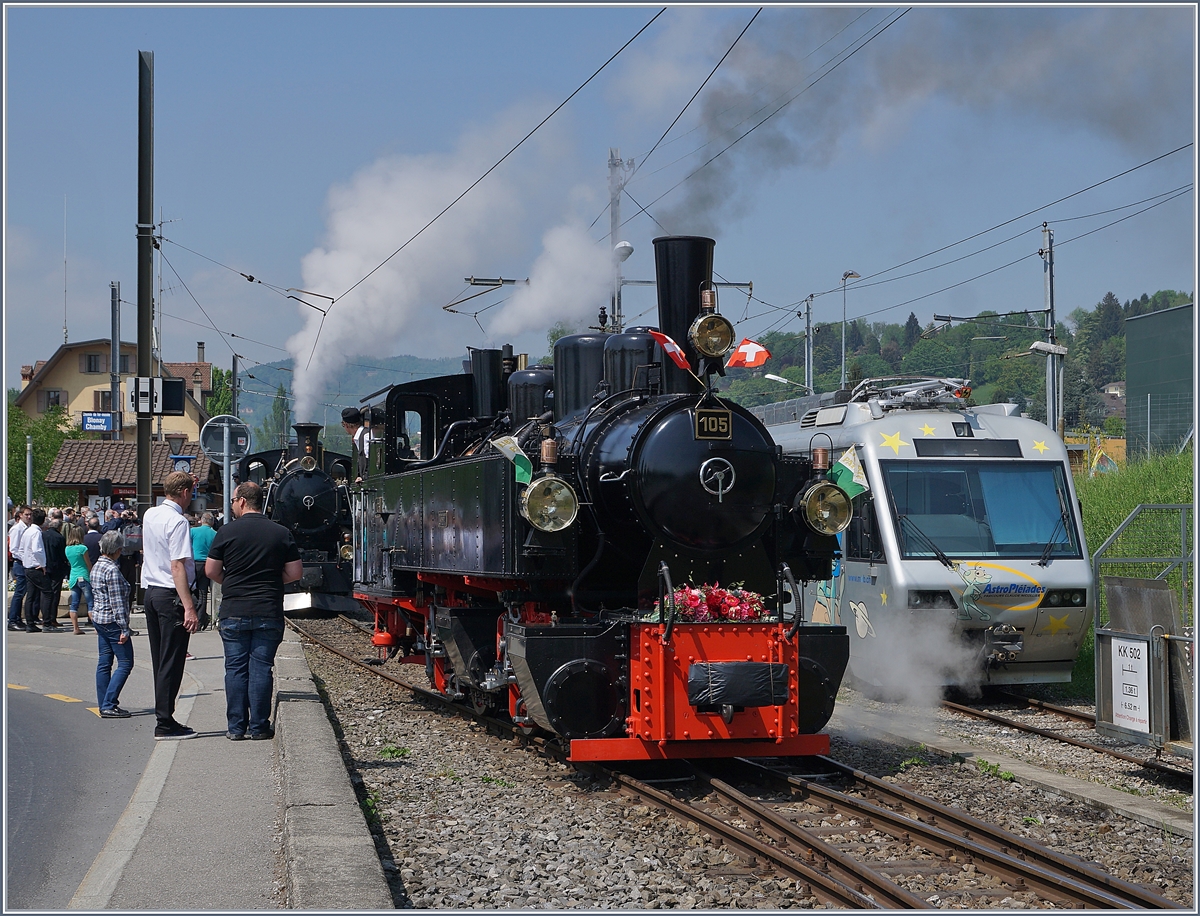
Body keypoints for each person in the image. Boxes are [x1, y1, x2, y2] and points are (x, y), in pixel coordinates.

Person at [206, 481, 302, 741]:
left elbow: (211, 570)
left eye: (234, 501)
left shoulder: (226, 532)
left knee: (235, 668)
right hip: (268, 608)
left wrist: (234, 582)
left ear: (243, 502)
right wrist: (269, 580)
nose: (233, 506)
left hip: (234, 609)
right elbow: (295, 573)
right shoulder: (281, 532)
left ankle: (236, 728)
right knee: (261, 668)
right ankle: (259, 727)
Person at [140, 471, 201, 740]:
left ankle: (164, 715)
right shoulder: (178, 522)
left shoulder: (150, 514)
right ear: (185, 493)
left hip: (151, 590)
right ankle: (165, 721)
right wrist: (189, 606)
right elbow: (177, 565)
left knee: (160, 659)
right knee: (172, 660)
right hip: (170, 594)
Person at [90, 530, 135, 717]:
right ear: (117, 550)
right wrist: (125, 628)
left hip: (100, 618)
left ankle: (104, 702)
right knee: (125, 663)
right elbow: (117, 603)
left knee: (104, 662)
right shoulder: (112, 570)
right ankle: (109, 703)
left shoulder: (97, 566)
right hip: (112, 621)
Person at [21, 508, 49, 633]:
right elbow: (37, 550)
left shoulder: (27, 531)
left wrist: (25, 560)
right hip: (36, 566)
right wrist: (42, 564)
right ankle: (47, 622)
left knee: (30, 596)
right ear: (43, 521)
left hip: (28, 566)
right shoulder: (36, 533)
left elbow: (22, 549)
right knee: (48, 592)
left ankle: (30, 622)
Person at [40, 518, 68, 630]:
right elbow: (62, 554)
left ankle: (45, 617)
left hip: (44, 567)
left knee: (45, 593)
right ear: (59, 527)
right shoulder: (59, 537)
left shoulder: (43, 535)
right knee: (55, 594)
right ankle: (52, 618)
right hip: (56, 568)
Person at [191, 512, 217, 628]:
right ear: (212, 522)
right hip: (207, 564)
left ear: (201, 520)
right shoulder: (215, 534)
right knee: (203, 592)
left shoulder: (193, 531)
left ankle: (192, 616)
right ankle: (201, 620)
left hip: (194, 564)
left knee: (190, 589)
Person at [7, 505, 32, 631]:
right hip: (20, 563)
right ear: (20, 515)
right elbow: (14, 549)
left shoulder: (28, 528)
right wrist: (26, 558)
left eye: (30, 515)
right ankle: (12, 620)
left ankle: (17, 618)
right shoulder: (17, 529)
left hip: (25, 563)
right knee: (19, 592)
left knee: (22, 592)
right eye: (26, 514)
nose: (29, 517)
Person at [64, 524, 92, 635]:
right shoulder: (83, 548)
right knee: (91, 603)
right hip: (84, 575)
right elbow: (87, 563)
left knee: (74, 603)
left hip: (73, 576)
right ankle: (96, 628)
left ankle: (75, 628)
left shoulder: (67, 549)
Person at [341, 407, 368, 482]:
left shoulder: (366, 436)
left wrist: (364, 477)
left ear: (346, 425)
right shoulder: (360, 437)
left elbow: (370, 460)